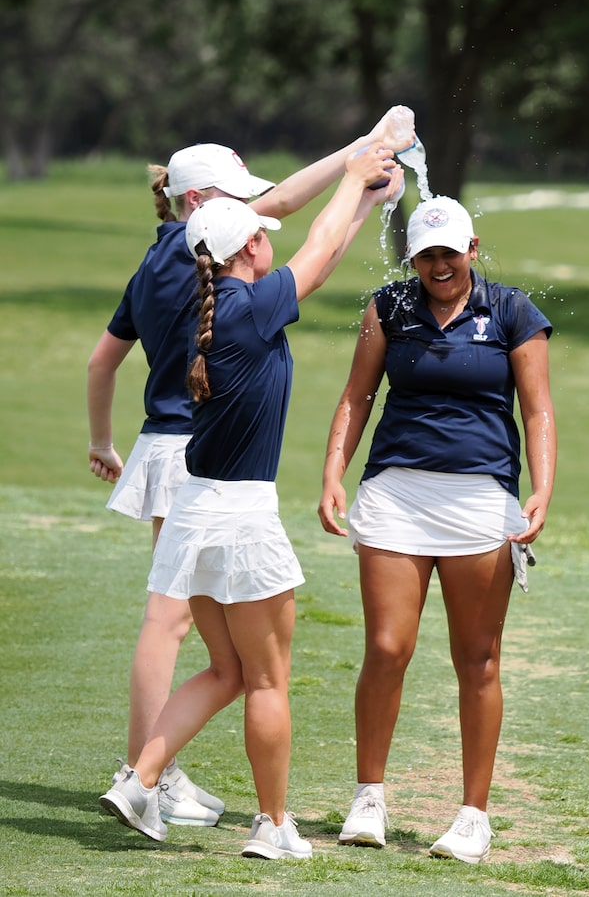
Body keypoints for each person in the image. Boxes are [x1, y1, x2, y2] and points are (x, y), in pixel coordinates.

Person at [87, 114, 413, 825]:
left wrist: (361, 189)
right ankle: (234, 808)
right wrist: (357, 165)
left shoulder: (190, 268)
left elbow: (311, 249)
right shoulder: (233, 291)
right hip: (222, 485)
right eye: (246, 212)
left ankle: (144, 774)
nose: (260, 218)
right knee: (231, 658)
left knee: (212, 656)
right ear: (205, 208)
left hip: (186, 469)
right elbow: (309, 235)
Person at [317, 195, 557, 864]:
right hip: (395, 492)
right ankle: (369, 797)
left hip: (481, 499)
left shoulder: (510, 313)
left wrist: (542, 489)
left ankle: (472, 815)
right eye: (426, 254)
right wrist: (333, 472)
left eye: (449, 252)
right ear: (413, 257)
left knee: (476, 658)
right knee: (387, 649)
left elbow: (536, 412)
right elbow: (355, 396)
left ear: (471, 249)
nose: (439, 264)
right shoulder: (387, 308)